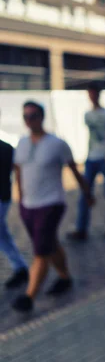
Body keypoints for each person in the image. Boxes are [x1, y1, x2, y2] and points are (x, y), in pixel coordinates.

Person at [12, 101, 94, 312]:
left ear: (41, 117)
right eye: (26, 116)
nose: (29, 120)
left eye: (32, 116)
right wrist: (20, 199)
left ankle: (29, 296)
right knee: (49, 243)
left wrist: (87, 193)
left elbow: (74, 171)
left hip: (50, 204)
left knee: (40, 251)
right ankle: (65, 277)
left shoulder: (57, 144)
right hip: (28, 206)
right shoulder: (21, 143)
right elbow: (19, 171)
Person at [69, 84, 105, 241]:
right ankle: (81, 228)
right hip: (91, 157)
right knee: (85, 192)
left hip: (104, 157)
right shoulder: (87, 114)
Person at [0, 110, 29, 289]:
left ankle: (20, 268)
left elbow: (17, 173)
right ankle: (20, 267)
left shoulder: (5, 148)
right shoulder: (7, 148)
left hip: (1, 197)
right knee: (2, 235)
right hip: (4, 197)